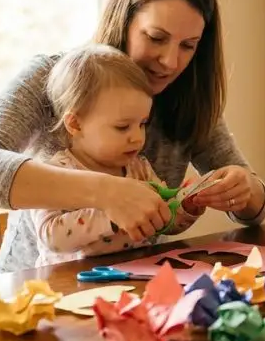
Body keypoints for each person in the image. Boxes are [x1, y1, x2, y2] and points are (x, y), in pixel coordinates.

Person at [0, 0, 265, 273]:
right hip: (33, 288)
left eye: (188, 45)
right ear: (123, 20)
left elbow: (255, 210)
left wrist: (244, 188)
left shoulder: (186, 94)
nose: (171, 62)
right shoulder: (51, 77)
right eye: (156, 37)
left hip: (133, 285)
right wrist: (105, 192)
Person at [31, 44, 203, 267]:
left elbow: (162, 222)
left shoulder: (138, 168)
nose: (137, 138)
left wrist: (185, 209)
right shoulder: (56, 173)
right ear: (75, 124)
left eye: (142, 124)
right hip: (70, 286)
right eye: (122, 127)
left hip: (134, 274)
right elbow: (50, 237)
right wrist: (111, 214)